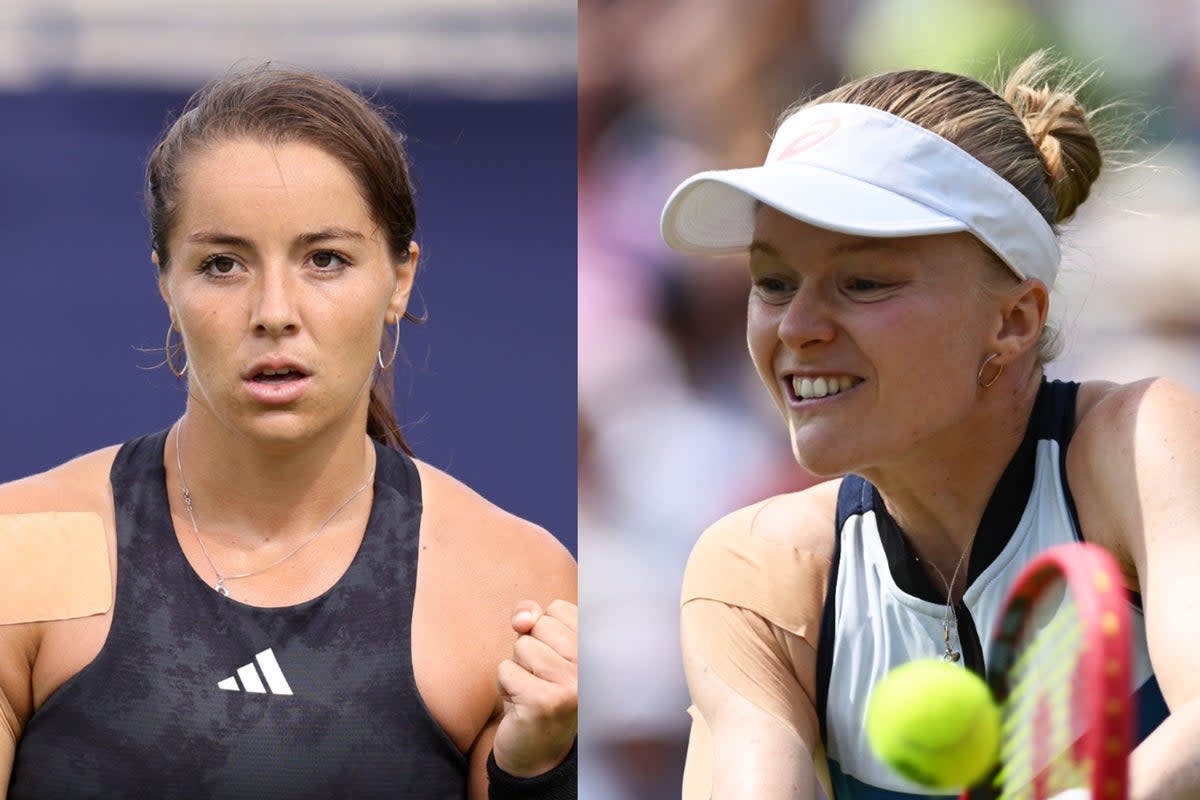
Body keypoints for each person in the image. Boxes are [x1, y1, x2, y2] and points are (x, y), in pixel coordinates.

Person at [0, 66, 577, 799]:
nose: (275, 309)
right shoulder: (19, 542)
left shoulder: (514, 584)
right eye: (222, 264)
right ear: (165, 285)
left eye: (325, 260)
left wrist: (533, 776)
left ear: (400, 279)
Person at [660, 52, 1200, 800]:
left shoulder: (1144, 442)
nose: (799, 327)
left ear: (1013, 320)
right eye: (774, 282)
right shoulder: (756, 569)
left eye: (864, 282)